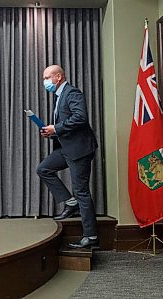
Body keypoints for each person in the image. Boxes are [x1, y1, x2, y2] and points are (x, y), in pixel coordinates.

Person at [36, 65, 99, 249]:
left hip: (79, 150)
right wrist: (51, 132)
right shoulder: (59, 96)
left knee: (82, 192)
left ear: (58, 76)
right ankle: (71, 203)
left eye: (47, 77)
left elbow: (80, 118)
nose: (45, 81)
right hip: (65, 148)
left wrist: (55, 128)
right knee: (43, 169)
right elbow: (66, 123)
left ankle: (91, 237)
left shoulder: (72, 93)